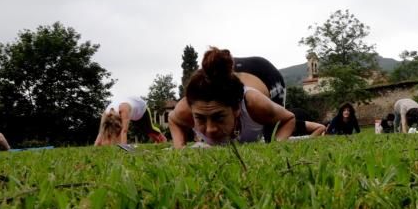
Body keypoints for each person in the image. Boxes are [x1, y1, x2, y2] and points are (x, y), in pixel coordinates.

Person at [167, 47, 300, 146]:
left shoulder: (255, 104)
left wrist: (276, 147)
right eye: (200, 118)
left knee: (270, 137)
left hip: (263, 73)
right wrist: (180, 149)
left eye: (218, 117)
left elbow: (288, 119)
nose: (210, 129)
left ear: (236, 109)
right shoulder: (186, 109)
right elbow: (173, 119)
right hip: (223, 75)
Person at [95, 96, 166, 146]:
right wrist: (95, 148)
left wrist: (124, 148)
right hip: (133, 114)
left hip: (142, 110)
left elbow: (124, 131)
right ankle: (158, 141)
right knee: (144, 130)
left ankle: (163, 139)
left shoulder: (124, 108)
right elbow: (101, 132)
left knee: (150, 128)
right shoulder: (105, 113)